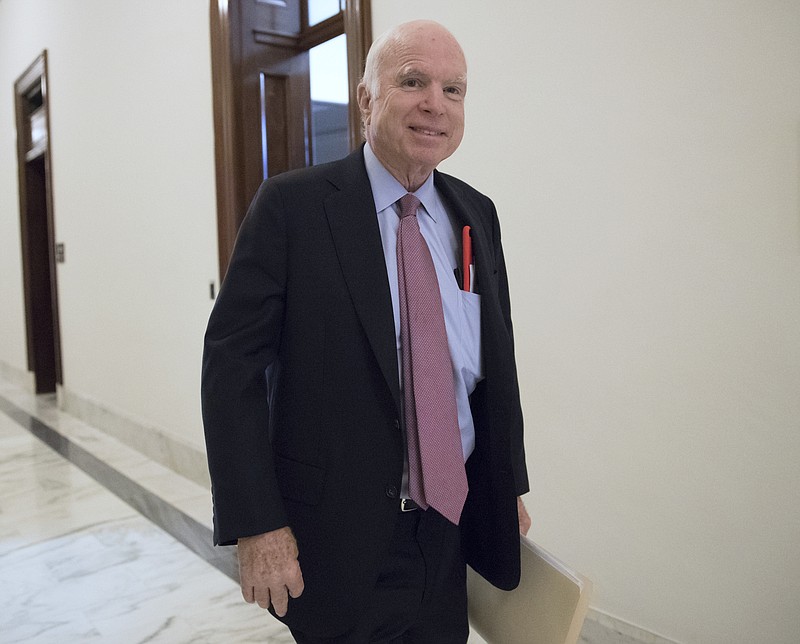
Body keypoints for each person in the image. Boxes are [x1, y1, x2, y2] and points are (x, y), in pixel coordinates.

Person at [202, 19, 530, 643]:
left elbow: (493, 361)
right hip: (333, 537)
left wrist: (504, 480)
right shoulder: (292, 209)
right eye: (413, 82)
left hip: (446, 528)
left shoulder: (475, 215)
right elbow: (230, 368)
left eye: (453, 89)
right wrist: (256, 523)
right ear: (366, 98)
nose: (436, 103)